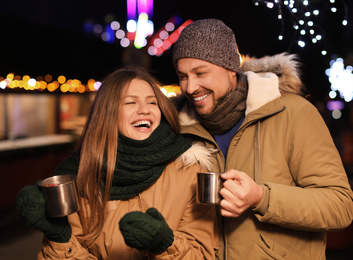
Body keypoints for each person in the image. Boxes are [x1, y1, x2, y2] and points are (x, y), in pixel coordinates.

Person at [172, 18, 353, 259]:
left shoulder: (293, 113)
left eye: (200, 73)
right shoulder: (178, 126)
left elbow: (339, 206)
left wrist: (262, 198)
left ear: (230, 68)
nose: (190, 86)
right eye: (182, 76)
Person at [15, 67, 218, 259]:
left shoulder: (189, 170)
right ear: (108, 113)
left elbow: (202, 254)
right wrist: (59, 238)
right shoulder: (81, 175)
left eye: (152, 102)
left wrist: (165, 244)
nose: (144, 110)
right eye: (130, 102)